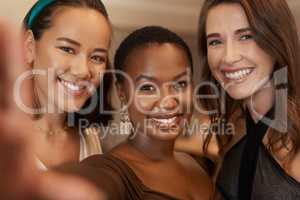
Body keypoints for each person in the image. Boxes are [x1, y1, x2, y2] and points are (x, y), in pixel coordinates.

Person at [58, 26, 213, 200]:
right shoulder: (110, 170)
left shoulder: (195, 165)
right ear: (122, 93)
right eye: (147, 88)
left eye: (180, 84)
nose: (169, 102)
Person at [197, 0, 300, 199]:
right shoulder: (235, 123)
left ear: (277, 39)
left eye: (245, 36)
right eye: (215, 41)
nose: (228, 57)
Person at [21, 0, 113, 170]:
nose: (83, 71)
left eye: (97, 57)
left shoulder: (89, 137)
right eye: (68, 49)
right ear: (30, 47)